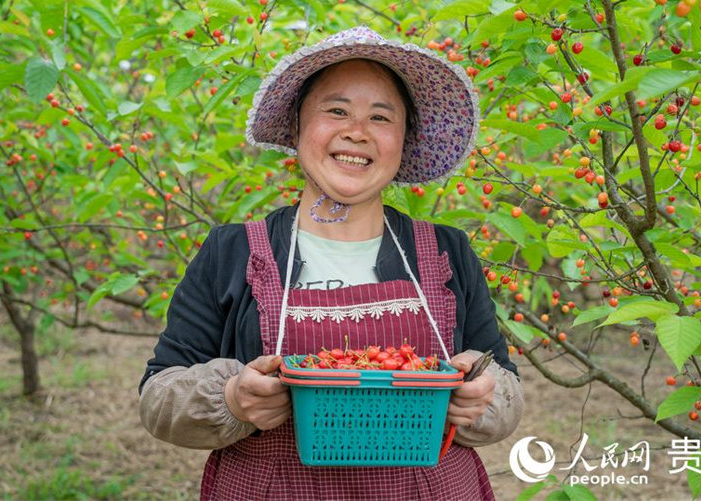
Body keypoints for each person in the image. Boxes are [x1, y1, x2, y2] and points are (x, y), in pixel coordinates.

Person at [139, 26, 524, 500]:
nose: (356, 132)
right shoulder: (232, 252)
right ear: (298, 127)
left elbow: (506, 389)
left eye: (381, 118)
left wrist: (480, 396)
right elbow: (158, 397)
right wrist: (232, 398)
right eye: (336, 110)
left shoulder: (446, 253)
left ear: (404, 142)